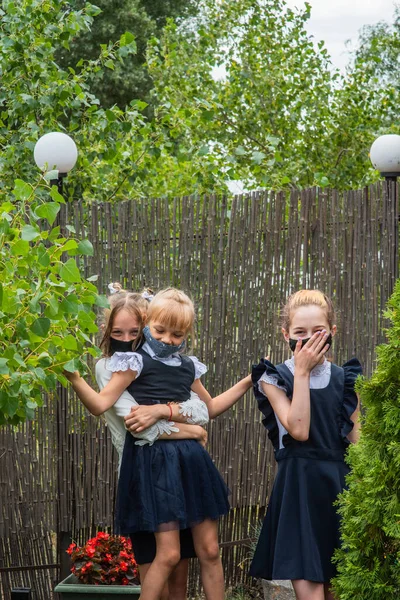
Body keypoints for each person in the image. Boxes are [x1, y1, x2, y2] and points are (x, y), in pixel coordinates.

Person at [67, 287, 252, 600]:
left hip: (192, 465)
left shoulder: (187, 365)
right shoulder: (128, 363)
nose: (167, 339)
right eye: (160, 330)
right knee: (167, 556)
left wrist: (248, 381)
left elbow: (209, 408)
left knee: (208, 550)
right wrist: (73, 377)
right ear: (150, 323)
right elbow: (107, 409)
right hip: (153, 466)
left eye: (176, 334)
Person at [249, 290, 362, 600]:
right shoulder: (275, 378)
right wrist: (301, 371)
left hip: (339, 490)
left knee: (339, 590)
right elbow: (298, 429)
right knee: (310, 593)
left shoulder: (346, 380)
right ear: (286, 334)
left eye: (318, 332)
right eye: (300, 333)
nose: (309, 339)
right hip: (298, 491)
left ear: (333, 332)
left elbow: (357, 443)